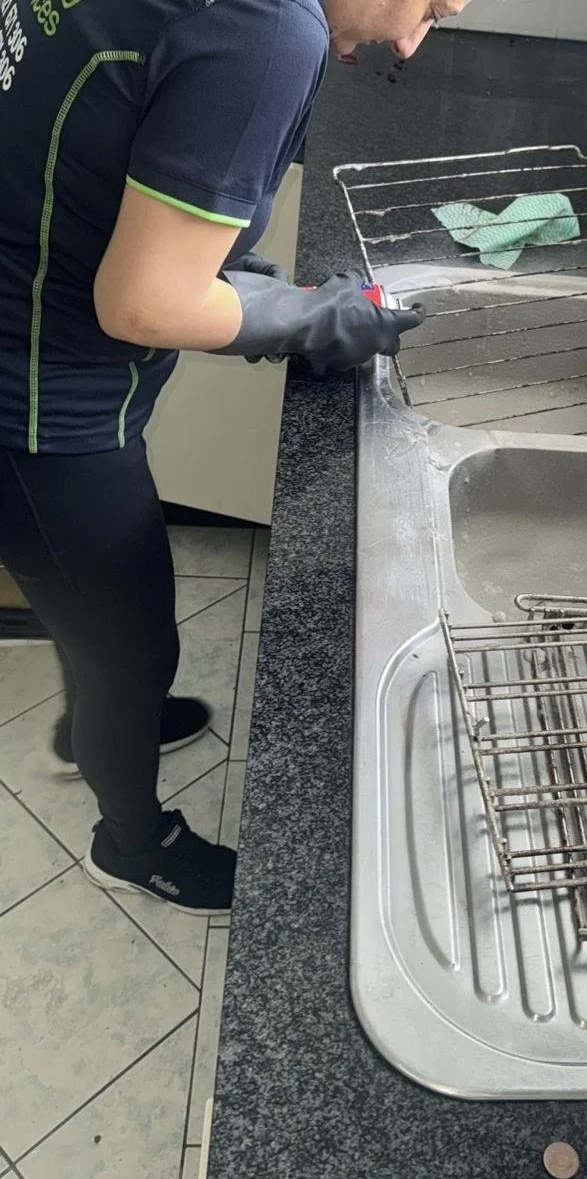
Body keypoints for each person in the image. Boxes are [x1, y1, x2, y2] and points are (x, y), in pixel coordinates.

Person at [0, 0, 472, 916]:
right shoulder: (265, 31)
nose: (410, 44)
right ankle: (133, 841)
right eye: (427, 7)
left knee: (89, 613)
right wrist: (302, 316)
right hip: (31, 404)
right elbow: (143, 304)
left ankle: (92, 719)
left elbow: (109, 146)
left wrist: (250, 286)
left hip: (24, 313)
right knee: (136, 647)